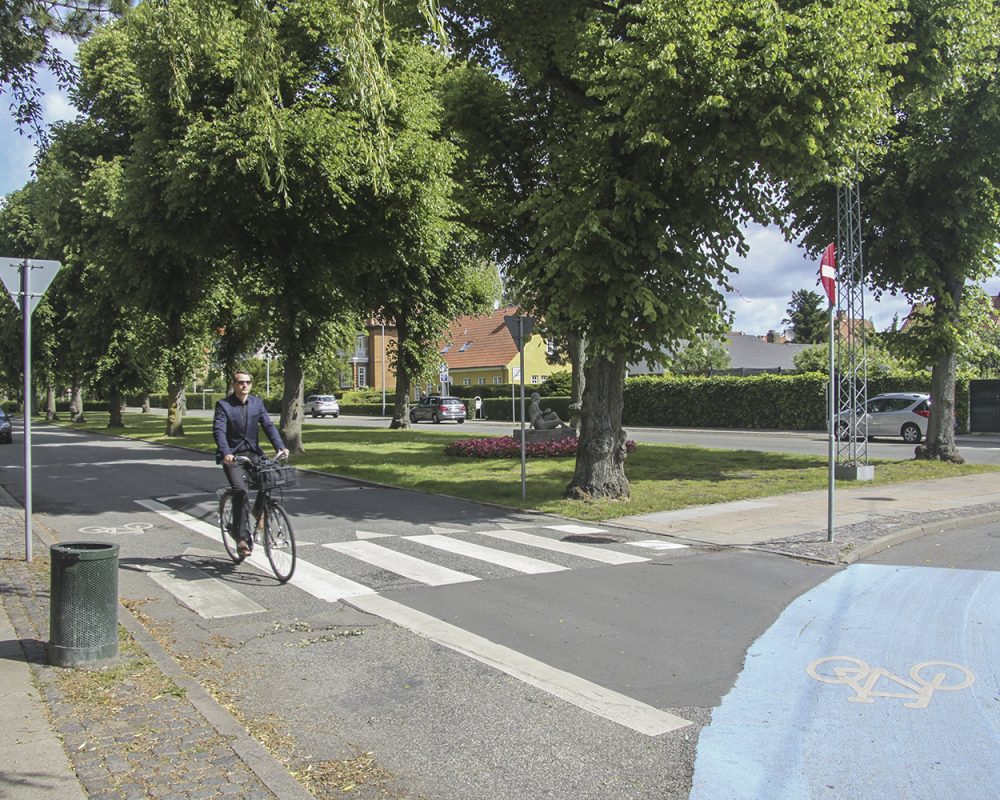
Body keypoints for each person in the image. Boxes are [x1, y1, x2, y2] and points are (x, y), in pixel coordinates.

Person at [213, 370, 289, 556]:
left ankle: (257, 510)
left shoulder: (257, 403)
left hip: (253, 454)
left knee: (270, 478)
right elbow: (219, 431)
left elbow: (268, 426)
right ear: (233, 384)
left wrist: (280, 446)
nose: (244, 385)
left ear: (251, 384)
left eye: (247, 382)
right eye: (240, 382)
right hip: (233, 456)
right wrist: (226, 452)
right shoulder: (224, 405)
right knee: (241, 490)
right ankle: (241, 539)